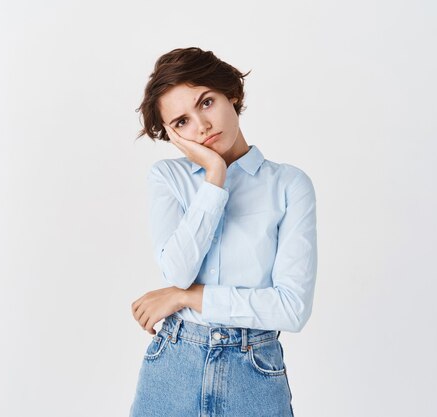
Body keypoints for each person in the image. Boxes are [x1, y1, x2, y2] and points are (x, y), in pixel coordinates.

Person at [129, 47, 318, 417]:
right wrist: (215, 177)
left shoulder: (289, 185)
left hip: (254, 370)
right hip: (173, 365)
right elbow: (178, 273)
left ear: (231, 93)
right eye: (181, 122)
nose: (201, 125)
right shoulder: (168, 179)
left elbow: (292, 309)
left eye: (206, 102)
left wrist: (188, 297)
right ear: (171, 134)